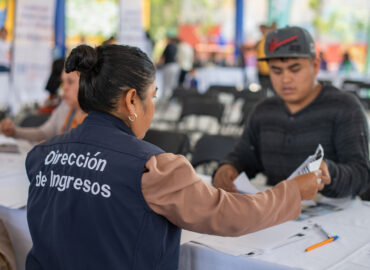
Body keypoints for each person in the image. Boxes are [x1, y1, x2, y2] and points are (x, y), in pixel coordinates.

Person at [25, 44, 323, 269]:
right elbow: (231, 215)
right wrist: (291, 192)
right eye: (152, 96)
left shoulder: (43, 155)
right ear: (132, 99)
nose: (152, 107)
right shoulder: (152, 168)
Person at [213, 26, 370, 198]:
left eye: (295, 69)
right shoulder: (264, 111)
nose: (286, 79)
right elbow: (245, 157)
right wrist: (229, 167)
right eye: (276, 71)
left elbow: (361, 174)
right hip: (277, 211)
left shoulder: (344, 107)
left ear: (315, 66)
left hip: (334, 213)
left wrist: (329, 174)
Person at [0, 70, 86, 142]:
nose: (64, 87)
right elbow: (44, 133)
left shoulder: (95, 118)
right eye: (62, 82)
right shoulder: (65, 106)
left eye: (70, 82)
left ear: (87, 83)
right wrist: (14, 132)